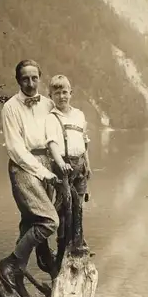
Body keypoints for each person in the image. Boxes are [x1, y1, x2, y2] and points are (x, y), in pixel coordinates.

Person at [0, 60, 59, 297]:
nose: (31, 83)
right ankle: (11, 262)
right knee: (49, 220)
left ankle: (18, 280)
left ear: (40, 78)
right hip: (24, 167)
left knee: (30, 224)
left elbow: (59, 133)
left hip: (48, 165)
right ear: (18, 80)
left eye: (35, 78)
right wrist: (42, 172)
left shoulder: (49, 104)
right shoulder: (10, 108)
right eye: (25, 79)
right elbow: (15, 149)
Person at [45, 74, 95, 255]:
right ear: (50, 96)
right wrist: (60, 163)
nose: (61, 96)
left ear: (71, 93)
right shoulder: (52, 117)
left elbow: (84, 142)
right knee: (65, 205)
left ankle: (78, 242)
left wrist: (87, 164)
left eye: (64, 92)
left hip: (80, 164)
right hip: (63, 166)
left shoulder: (79, 115)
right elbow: (52, 144)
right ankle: (63, 243)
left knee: (79, 204)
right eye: (56, 93)